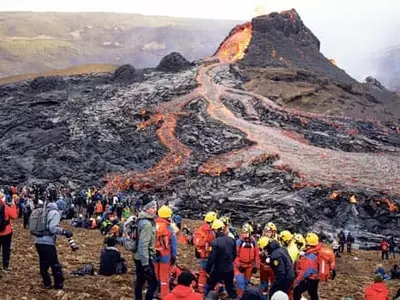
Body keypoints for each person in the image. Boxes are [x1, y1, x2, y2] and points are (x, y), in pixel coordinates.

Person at [32, 200, 73, 289]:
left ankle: (46, 283)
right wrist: (64, 232)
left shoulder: (45, 210)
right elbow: (52, 228)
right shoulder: (55, 212)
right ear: (61, 208)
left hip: (38, 241)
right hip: (47, 242)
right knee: (54, 264)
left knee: (43, 263)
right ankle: (58, 285)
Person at [205, 219, 237, 299]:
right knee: (230, 288)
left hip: (218, 270)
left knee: (209, 287)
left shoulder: (215, 242)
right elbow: (235, 254)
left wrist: (208, 271)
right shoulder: (232, 240)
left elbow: (211, 259)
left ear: (216, 230)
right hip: (229, 269)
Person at [133, 198, 158, 300]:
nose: (155, 210)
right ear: (146, 209)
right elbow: (143, 245)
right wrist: (146, 264)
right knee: (153, 283)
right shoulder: (147, 224)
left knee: (140, 281)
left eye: (155, 207)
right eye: (152, 208)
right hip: (144, 258)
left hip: (138, 256)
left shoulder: (141, 220)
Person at [154, 205, 177, 299]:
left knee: (155, 274)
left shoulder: (153, 225)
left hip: (154, 254)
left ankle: (154, 292)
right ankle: (165, 295)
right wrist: (173, 257)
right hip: (165, 255)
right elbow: (173, 245)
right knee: (164, 277)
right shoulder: (169, 228)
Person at [193, 211, 216, 293]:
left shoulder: (200, 229)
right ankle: (208, 289)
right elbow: (212, 244)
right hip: (208, 255)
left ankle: (200, 288)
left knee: (202, 272)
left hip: (201, 255)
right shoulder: (210, 232)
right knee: (210, 272)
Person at [293, 233, 321, 300]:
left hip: (309, 278)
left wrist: (296, 281)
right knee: (313, 293)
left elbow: (305, 272)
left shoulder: (310, 256)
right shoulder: (316, 251)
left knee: (296, 291)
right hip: (316, 277)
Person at [234, 226, 259, 297]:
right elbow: (235, 255)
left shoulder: (254, 243)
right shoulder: (239, 242)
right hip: (240, 266)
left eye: (246, 233)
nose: (244, 234)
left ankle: (245, 296)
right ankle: (240, 297)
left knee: (246, 283)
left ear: (250, 233)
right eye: (243, 233)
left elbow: (256, 255)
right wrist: (238, 265)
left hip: (249, 266)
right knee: (240, 283)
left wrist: (256, 266)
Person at [0, 193, 18, 273]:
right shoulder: (6, 207)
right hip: (6, 232)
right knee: (6, 249)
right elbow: (14, 216)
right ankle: (5, 267)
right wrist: (13, 205)